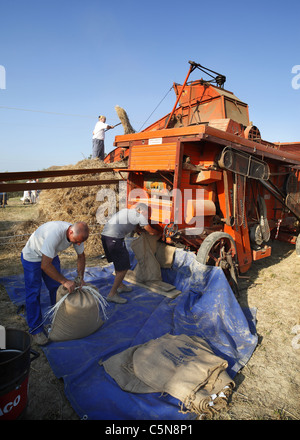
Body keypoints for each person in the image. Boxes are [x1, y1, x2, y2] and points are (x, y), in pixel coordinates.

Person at [21, 221, 89, 345]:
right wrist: (65, 281)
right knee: (34, 293)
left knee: (56, 289)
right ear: (70, 232)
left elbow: (81, 257)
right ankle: (36, 330)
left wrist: (80, 278)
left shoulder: (78, 235)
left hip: (50, 256)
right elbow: (45, 265)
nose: (78, 244)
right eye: (76, 241)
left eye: (79, 242)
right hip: (32, 257)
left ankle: (58, 321)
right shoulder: (55, 234)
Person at [101, 203, 161, 304]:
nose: (147, 216)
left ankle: (120, 286)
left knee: (118, 263)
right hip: (115, 239)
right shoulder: (139, 216)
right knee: (124, 267)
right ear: (142, 210)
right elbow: (150, 231)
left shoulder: (126, 212)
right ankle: (112, 294)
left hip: (106, 237)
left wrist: (142, 231)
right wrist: (159, 233)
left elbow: (136, 228)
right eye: (147, 213)